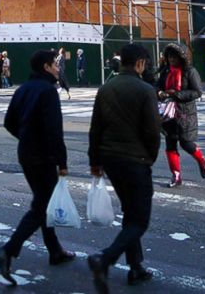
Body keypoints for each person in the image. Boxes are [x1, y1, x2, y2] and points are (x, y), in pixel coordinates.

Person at [0, 50, 75, 285]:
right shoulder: (48, 91)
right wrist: (63, 162)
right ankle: (9, 250)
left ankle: (55, 251)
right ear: (46, 67)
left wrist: (25, 137)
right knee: (41, 207)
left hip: (27, 154)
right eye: (55, 65)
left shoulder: (23, 89)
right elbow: (54, 130)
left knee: (44, 202)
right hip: (44, 156)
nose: (58, 69)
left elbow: (9, 122)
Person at [86, 43, 160, 292]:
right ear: (139, 63)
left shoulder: (106, 89)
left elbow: (95, 128)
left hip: (110, 158)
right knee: (139, 220)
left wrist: (94, 161)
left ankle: (136, 267)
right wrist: (150, 157)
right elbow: (152, 131)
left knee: (130, 213)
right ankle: (104, 258)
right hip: (135, 160)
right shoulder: (145, 90)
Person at [156, 43, 205, 187]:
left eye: (174, 56)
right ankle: (176, 175)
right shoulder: (166, 71)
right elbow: (158, 85)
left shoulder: (190, 72)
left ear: (181, 57)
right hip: (168, 112)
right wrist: (160, 92)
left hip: (185, 112)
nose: (171, 59)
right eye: (169, 56)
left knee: (186, 143)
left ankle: (201, 160)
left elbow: (197, 92)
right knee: (170, 144)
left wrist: (177, 94)